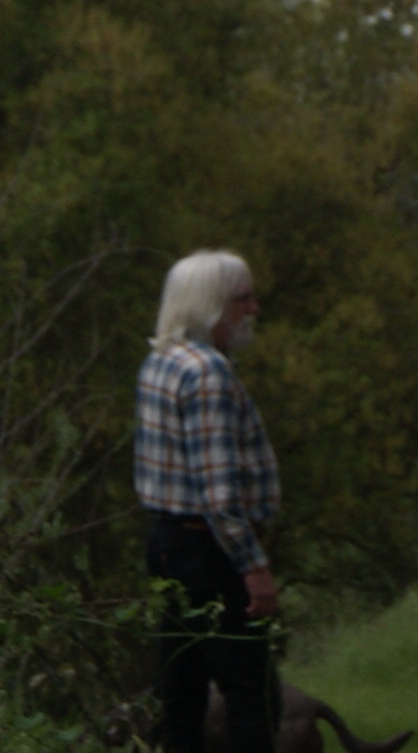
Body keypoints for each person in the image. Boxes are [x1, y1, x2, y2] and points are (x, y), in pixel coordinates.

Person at [140, 251, 281, 753]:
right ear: (210, 305)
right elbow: (218, 494)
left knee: (180, 694)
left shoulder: (161, 361)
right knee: (252, 697)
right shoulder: (208, 374)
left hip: (167, 544)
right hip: (210, 550)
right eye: (243, 299)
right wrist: (254, 568)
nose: (253, 309)